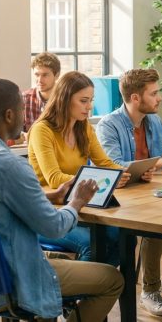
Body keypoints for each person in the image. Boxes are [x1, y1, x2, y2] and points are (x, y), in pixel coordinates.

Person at [0, 78, 123, 321]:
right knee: (112, 279)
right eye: (23, 110)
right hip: (15, 279)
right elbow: (55, 228)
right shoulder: (10, 165)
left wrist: (49, 195)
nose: (26, 117)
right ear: (9, 115)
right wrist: (76, 201)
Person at [96, 68, 162, 317]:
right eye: (154, 93)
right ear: (135, 98)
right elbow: (112, 166)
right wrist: (157, 164)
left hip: (149, 192)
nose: (160, 98)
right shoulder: (108, 125)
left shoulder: (153, 120)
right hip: (122, 199)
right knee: (156, 224)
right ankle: (149, 292)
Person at [28, 71, 129, 265]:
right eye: (83, 101)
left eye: (91, 100)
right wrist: (98, 179)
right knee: (91, 244)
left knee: (123, 237)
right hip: (48, 213)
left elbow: (105, 163)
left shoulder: (84, 128)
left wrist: (123, 173)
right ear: (65, 99)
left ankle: (99, 292)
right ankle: (82, 289)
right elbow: (54, 179)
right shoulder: (42, 130)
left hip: (80, 206)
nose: (89, 107)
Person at [23, 52, 61, 133]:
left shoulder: (66, 99)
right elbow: (17, 133)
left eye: (45, 75)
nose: (39, 80)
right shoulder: (25, 99)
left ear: (57, 75)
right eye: (37, 75)